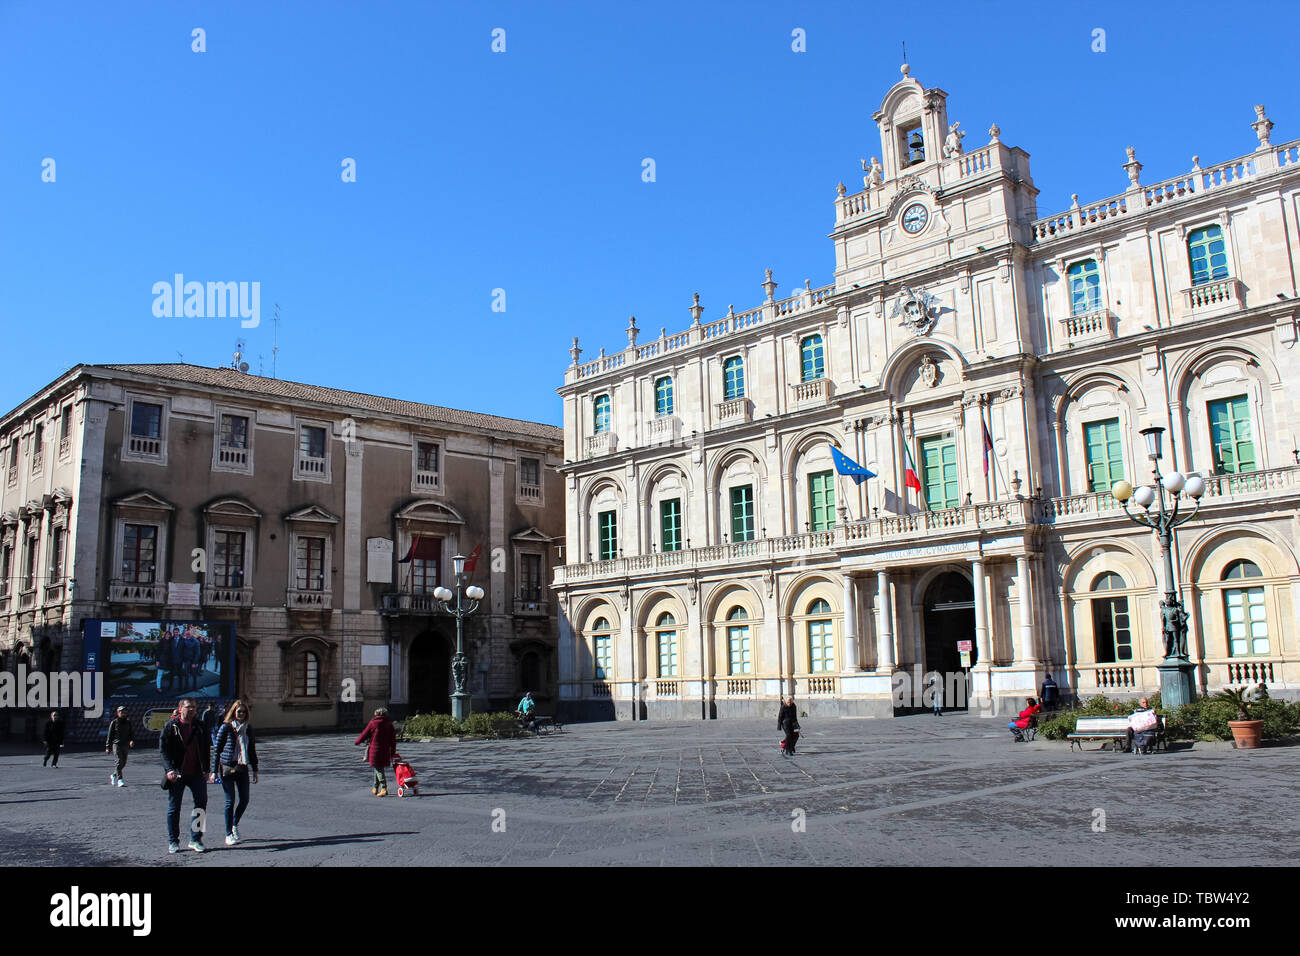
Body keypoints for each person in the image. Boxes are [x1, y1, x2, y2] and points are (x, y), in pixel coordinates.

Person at [160, 698, 211, 853]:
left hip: (196, 773)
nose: (192, 710)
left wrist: (207, 769)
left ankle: (196, 839)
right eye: (189, 707)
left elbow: (205, 749)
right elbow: (163, 751)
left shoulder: (200, 726)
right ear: (180, 708)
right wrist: (169, 770)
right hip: (177, 774)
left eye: (194, 707)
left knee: (201, 805)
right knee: (174, 808)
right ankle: (173, 841)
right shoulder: (171, 726)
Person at [212, 700, 258, 845]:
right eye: (239, 712)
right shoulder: (226, 727)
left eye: (244, 712)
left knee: (244, 799)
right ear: (233, 712)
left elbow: (251, 750)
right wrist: (214, 771)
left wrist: (255, 769)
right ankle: (228, 834)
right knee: (230, 800)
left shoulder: (247, 728)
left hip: (242, 767)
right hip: (227, 767)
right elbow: (217, 750)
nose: (241, 714)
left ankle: (234, 824)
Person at [355, 707, 397, 797]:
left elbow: (365, 734)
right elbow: (393, 739)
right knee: (377, 767)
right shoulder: (389, 724)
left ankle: (384, 788)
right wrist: (393, 751)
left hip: (375, 749)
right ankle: (375, 787)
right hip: (385, 749)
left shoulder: (373, 723)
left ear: (376, 714)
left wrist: (357, 741)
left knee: (378, 768)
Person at [106, 705, 134, 786]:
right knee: (118, 761)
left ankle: (113, 775)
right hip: (116, 744)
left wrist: (131, 740)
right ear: (118, 713)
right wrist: (108, 746)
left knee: (123, 763)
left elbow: (131, 733)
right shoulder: (114, 722)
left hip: (125, 745)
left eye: (125, 712)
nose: (124, 713)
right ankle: (120, 780)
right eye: (122, 712)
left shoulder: (128, 722)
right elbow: (110, 735)